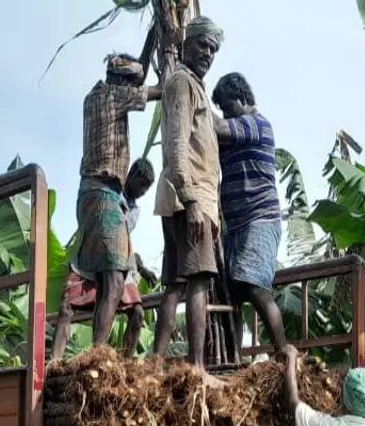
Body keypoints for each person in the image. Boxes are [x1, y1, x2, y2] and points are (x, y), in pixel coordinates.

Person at [73, 52, 161, 356]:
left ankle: (100, 351)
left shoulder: (92, 97)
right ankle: (97, 353)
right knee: (112, 278)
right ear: (120, 81)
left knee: (107, 278)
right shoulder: (113, 96)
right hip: (104, 194)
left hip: (90, 193)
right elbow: (158, 91)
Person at [151, 17, 224, 373]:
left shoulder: (193, 86)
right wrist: (194, 200)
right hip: (188, 198)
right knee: (197, 280)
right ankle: (196, 366)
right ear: (185, 45)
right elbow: (176, 145)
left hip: (190, 197)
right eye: (202, 45)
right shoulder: (182, 83)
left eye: (213, 49)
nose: (207, 53)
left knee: (175, 283)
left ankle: (156, 361)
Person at [210, 72, 287, 353]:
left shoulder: (256, 124)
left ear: (242, 99)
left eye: (227, 107)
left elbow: (217, 128)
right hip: (236, 226)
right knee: (232, 291)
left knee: (254, 286)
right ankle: (235, 356)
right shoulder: (236, 128)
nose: (224, 114)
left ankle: (282, 352)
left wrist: (194, 98)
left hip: (260, 219)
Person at [54, 158, 157, 359]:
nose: (141, 192)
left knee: (137, 314)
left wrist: (141, 268)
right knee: (67, 307)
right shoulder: (109, 190)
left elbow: (125, 239)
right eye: (141, 186)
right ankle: (54, 362)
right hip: (93, 250)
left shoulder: (135, 211)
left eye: (145, 190)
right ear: (131, 176)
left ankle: (123, 364)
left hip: (119, 259)